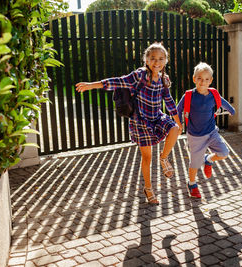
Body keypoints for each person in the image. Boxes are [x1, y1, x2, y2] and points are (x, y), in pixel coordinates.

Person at [76, 43, 183, 204]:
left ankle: (164, 158)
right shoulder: (140, 75)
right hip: (140, 121)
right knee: (147, 157)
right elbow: (117, 82)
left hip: (157, 117)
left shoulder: (164, 79)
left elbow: (168, 101)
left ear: (166, 61)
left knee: (175, 129)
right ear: (146, 60)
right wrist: (92, 85)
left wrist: (178, 121)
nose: (157, 62)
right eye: (153, 58)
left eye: (161, 58)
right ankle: (148, 189)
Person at [177, 62, 235, 198]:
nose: (203, 82)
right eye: (199, 78)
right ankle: (192, 184)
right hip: (195, 136)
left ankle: (208, 159)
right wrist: (178, 124)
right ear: (194, 79)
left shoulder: (213, 94)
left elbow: (223, 102)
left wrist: (231, 109)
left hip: (211, 132)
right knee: (195, 163)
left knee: (224, 153)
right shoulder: (189, 96)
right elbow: (178, 109)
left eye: (206, 79)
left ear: (211, 81)